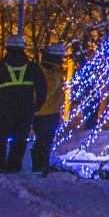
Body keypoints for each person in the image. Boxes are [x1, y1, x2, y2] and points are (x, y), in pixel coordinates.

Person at [0, 35, 49, 175]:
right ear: (23, 48)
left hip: (5, 110)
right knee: (20, 139)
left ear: (7, 48)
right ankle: (13, 167)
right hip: (26, 110)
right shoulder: (33, 68)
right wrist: (38, 104)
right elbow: (42, 87)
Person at [31, 43, 70, 173]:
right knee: (45, 140)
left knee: (40, 139)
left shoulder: (38, 68)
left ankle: (39, 164)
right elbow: (48, 90)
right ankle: (41, 165)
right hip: (49, 111)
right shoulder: (55, 72)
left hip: (37, 111)